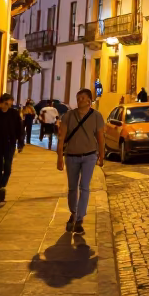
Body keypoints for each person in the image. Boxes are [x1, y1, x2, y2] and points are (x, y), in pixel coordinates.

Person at [57, 88, 106, 235]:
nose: (80, 101)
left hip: (89, 156)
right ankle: (74, 212)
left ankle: (79, 219)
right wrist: (59, 157)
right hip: (71, 156)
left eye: (83, 98)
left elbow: (100, 138)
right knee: (72, 188)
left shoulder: (97, 116)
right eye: (78, 98)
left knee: (84, 186)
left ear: (89, 101)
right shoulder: (68, 116)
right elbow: (61, 137)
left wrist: (101, 156)